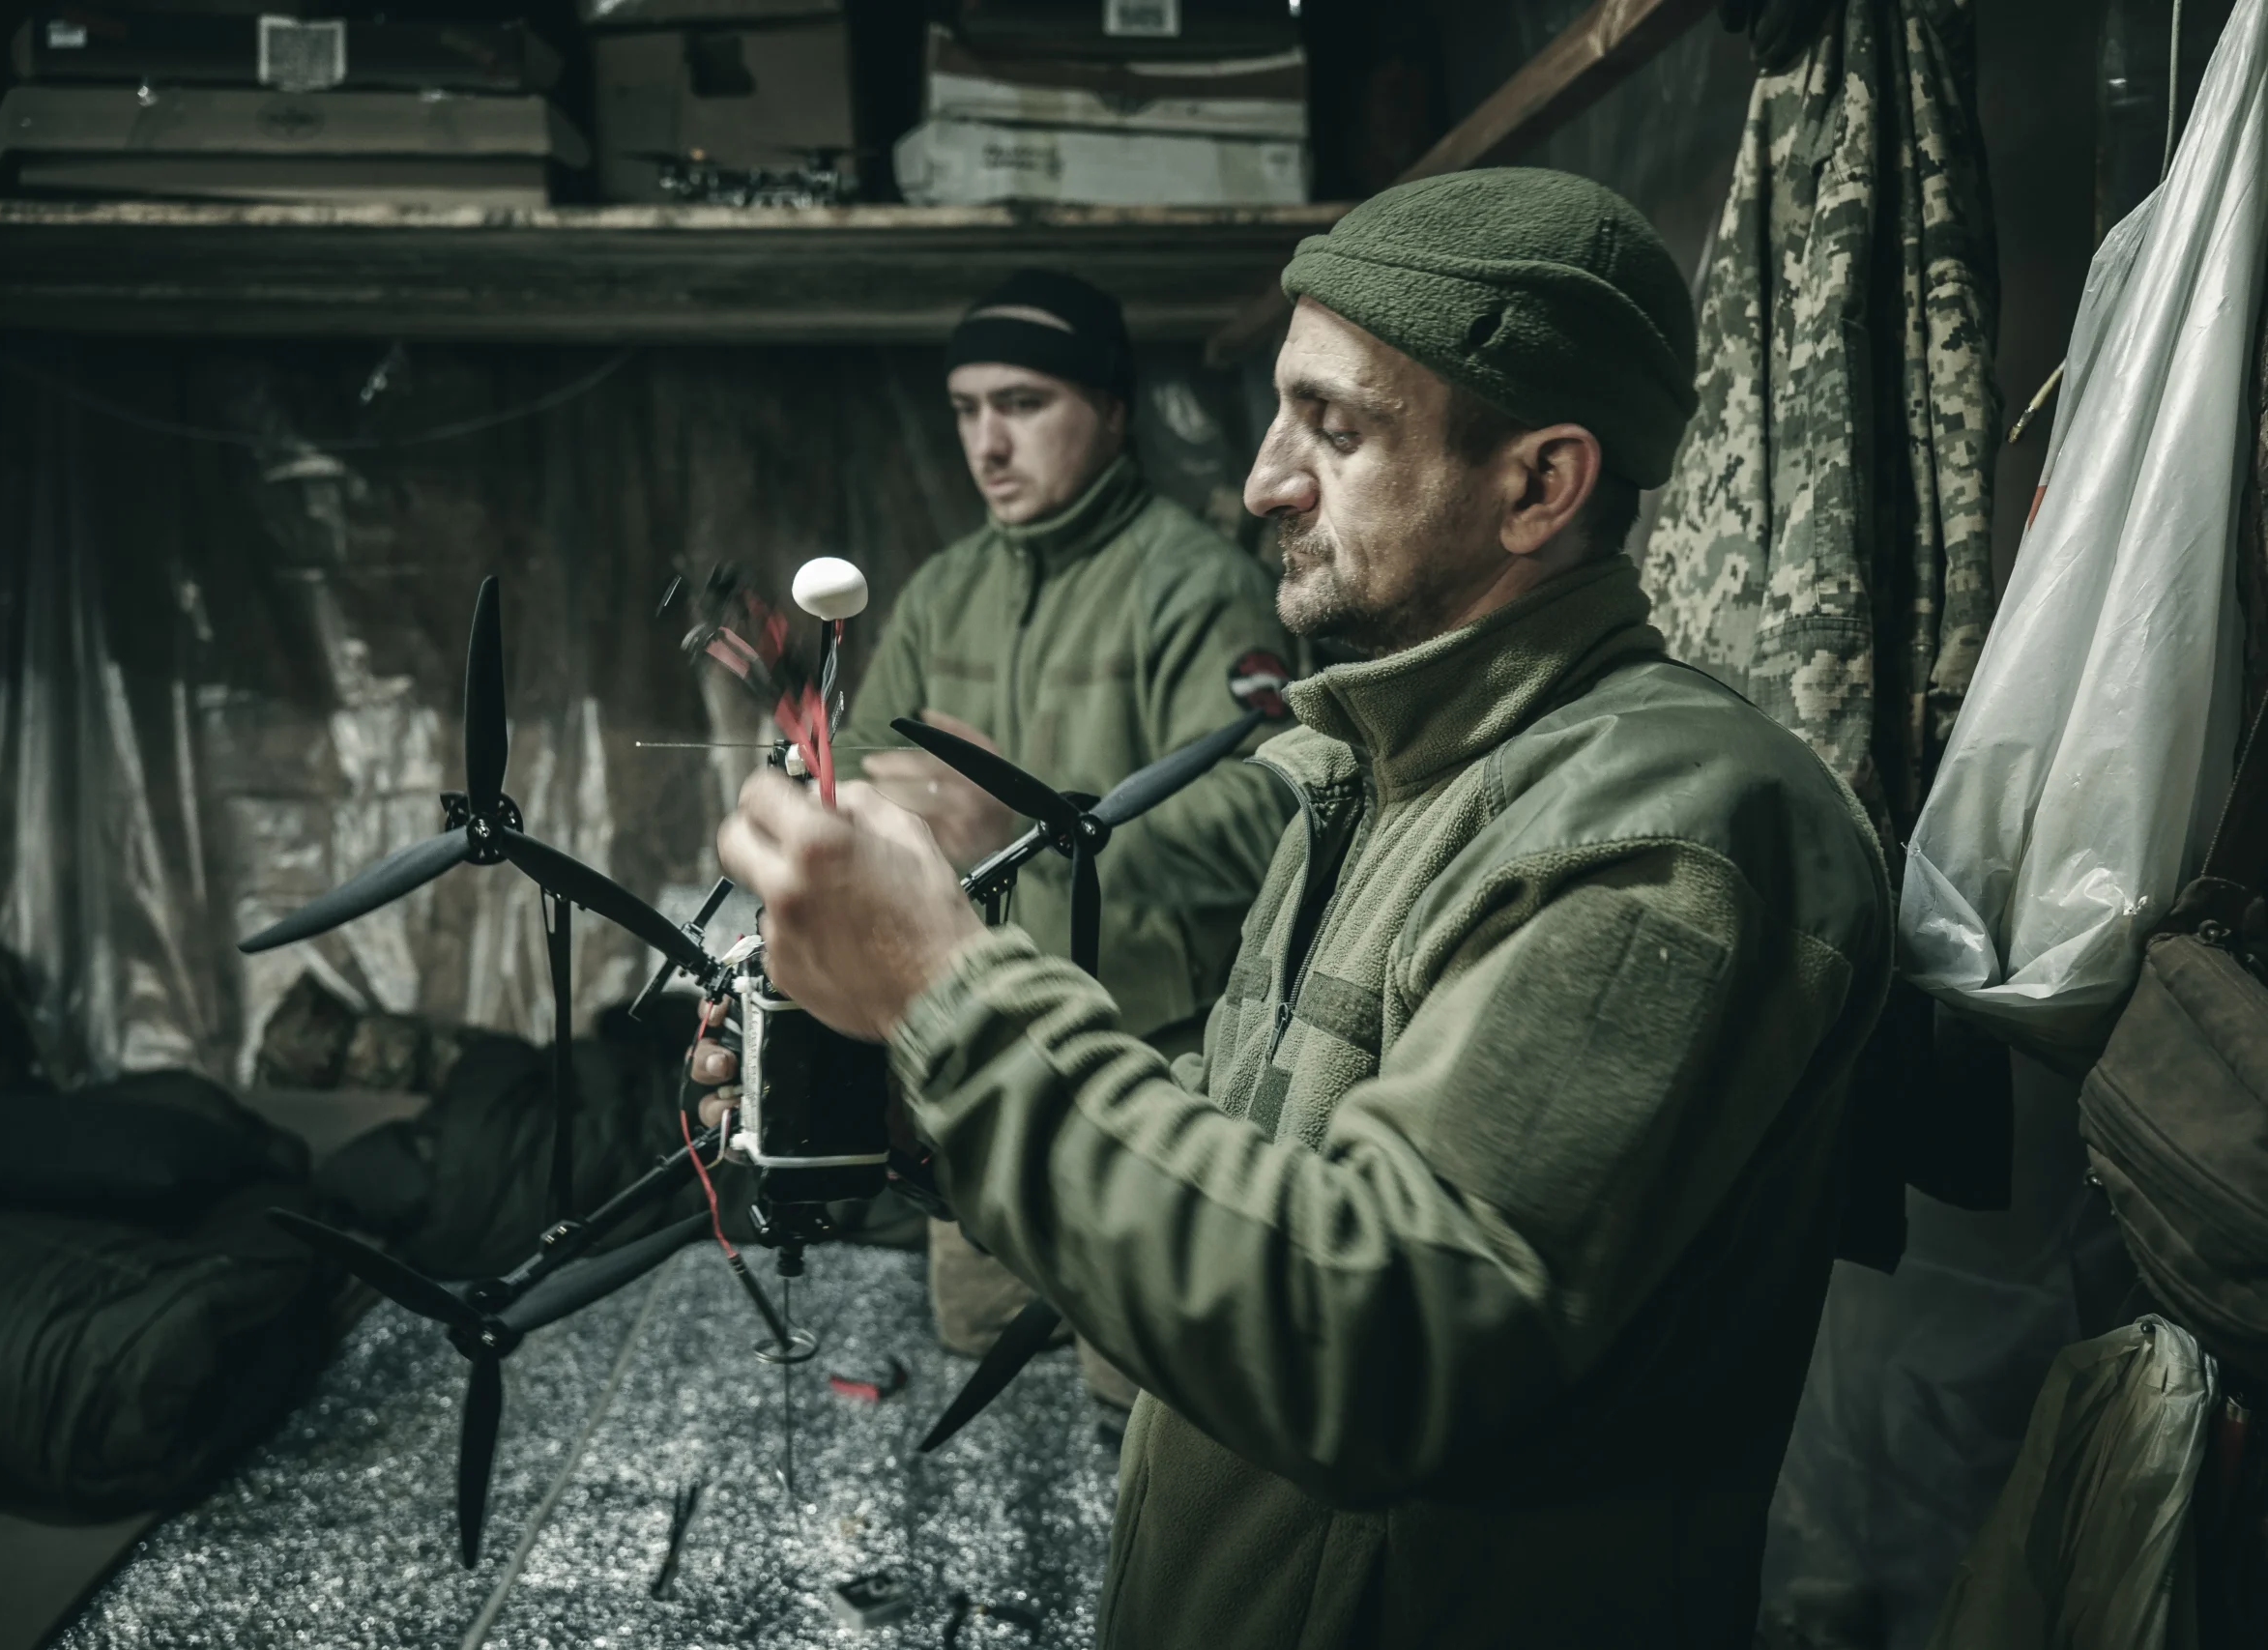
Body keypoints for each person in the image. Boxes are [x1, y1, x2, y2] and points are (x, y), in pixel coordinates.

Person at [710, 169, 1893, 1646]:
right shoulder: (1375, 769)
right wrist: (900, 1092)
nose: (1266, 479)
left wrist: (946, 987)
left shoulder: (1673, 833)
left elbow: (1375, 1344)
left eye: (1334, 428)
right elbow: (1234, 1175)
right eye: (1282, 416)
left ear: (1539, 485)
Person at [837, 269, 1299, 1397]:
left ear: (1112, 410)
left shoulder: (1200, 588)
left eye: (1023, 404)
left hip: (1146, 1070)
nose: (986, 445)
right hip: (978, 1059)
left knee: (1134, 1398)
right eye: (965, 410)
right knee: (972, 1340)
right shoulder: (941, 593)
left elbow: (1270, 821)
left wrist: (1027, 819)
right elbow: (854, 765)